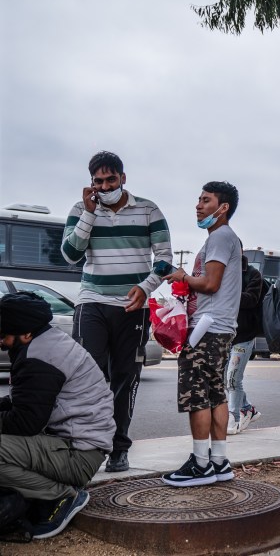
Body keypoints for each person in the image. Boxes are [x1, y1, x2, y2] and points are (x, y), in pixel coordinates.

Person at [60, 151, 172, 473]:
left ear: (123, 178)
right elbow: (69, 255)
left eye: (111, 179)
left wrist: (145, 288)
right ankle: (85, 446)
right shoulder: (80, 209)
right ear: (92, 182)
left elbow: (164, 259)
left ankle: (119, 448)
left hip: (132, 307)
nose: (106, 186)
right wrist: (89, 214)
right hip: (92, 302)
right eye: (99, 181)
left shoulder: (148, 210)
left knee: (124, 378)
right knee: (86, 377)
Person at [0, 292, 115, 539]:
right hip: (76, 446)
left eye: (3, 335)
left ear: (26, 334)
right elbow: (28, 400)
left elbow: (26, 422)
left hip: (78, 455)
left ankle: (61, 495)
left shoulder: (39, 357)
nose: (1, 341)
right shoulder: (47, 341)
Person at [162, 181, 241, 486]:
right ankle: (219, 461)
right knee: (216, 393)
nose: (198, 205)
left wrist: (183, 276)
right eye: (198, 199)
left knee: (197, 395)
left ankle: (200, 465)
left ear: (223, 208)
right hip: (220, 328)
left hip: (206, 329)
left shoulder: (220, 237)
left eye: (206, 200)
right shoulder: (227, 238)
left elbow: (210, 284)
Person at [226, 252, 265, 435]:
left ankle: (233, 418)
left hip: (244, 335)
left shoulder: (252, 274)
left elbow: (251, 299)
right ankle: (248, 409)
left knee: (233, 379)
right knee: (225, 380)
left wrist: (226, 293)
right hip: (223, 334)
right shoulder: (220, 270)